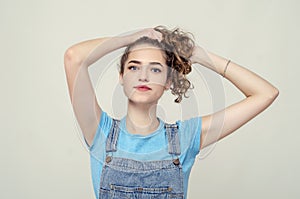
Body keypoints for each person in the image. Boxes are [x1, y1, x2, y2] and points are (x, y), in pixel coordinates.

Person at [64, 26, 279, 199]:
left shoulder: (186, 136)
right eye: (133, 67)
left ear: (168, 81)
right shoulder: (100, 132)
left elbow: (265, 93)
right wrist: (128, 39)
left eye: (155, 69)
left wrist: (200, 56)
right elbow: (74, 57)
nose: (143, 76)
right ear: (121, 77)